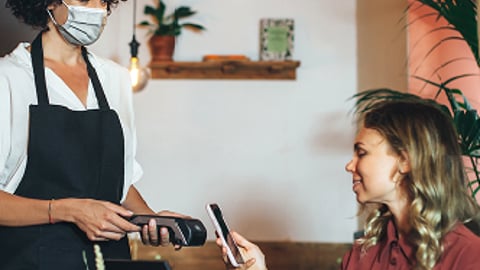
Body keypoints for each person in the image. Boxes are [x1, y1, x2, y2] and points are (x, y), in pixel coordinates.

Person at [0, 0, 184, 269]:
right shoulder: (8, 79)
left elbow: (119, 179)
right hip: (31, 258)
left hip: (109, 259)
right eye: (85, 0)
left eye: (103, 0)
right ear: (49, 3)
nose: (97, 8)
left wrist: (152, 220)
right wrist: (67, 211)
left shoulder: (116, 79)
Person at [217, 92, 480, 270]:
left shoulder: (468, 255)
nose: (349, 165)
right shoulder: (362, 255)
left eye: (362, 153)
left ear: (405, 160)